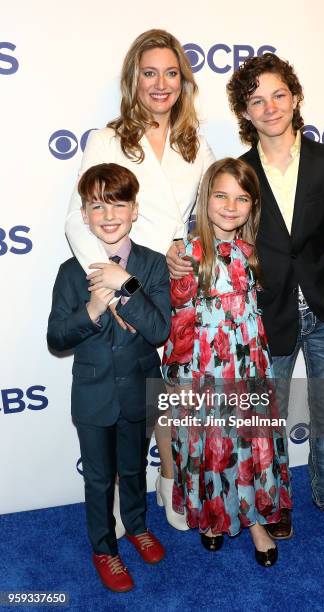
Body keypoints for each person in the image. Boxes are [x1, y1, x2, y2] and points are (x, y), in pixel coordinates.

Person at [168, 53, 324, 539]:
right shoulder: (240, 171)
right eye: (257, 101)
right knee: (265, 418)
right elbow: (213, 230)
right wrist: (178, 255)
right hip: (263, 319)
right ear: (246, 112)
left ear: (295, 97)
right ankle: (271, 502)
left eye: (278, 95)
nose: (270, 107)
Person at [65, 29, 214, 533]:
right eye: (149, 72)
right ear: (133, 79)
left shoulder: (196, 141)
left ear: (183, 80)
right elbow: (76, 219)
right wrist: (107, 293)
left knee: (166, 394)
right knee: (122, 398)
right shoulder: (109, 138)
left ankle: (168, 483)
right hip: (121, 281)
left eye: (171, 72)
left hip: (173, 281)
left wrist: (188, 248)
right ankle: (110, 502)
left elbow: (216, 211)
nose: (161, 83)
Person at [162, 158, 292, 567]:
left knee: (249, 445)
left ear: (252, 206)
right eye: (221, 195)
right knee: (210, 445)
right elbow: (179, 320)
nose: (230, 206)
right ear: (206, 198)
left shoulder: (252, 251)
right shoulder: (185, 254)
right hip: (205, 371)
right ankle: (213, 517)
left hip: (250, 367)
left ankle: (254, 521)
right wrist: (179, 377)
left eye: (241, 198)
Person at [48, 163, 170, 592]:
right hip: (94, 395)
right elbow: (56, 336)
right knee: (100, 478)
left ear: (135, 209)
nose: (109, 214)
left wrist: (127, 285)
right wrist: (92, 311)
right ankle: (104, 548)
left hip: (139, 389)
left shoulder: (153, 266)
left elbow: (160, 330)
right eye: (97, 205)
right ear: (84, 215)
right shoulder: (70, 272)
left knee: (134, 468)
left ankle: (136, 525)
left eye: (118, 203)